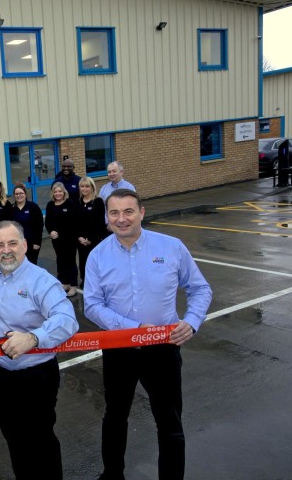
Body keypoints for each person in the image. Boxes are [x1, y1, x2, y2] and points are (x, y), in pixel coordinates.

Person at [84, 189, 212, 480]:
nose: (122, 219)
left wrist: (191, 321)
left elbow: (200, 288)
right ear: (107, 217)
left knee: (169, 422)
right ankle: (112, 474)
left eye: (128, 211)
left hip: (163, 350)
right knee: (115, 417)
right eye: (114, 213)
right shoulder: (97, 256)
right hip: (119, 349)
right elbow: (91, 304)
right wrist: (132, 331)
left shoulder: (171, 247)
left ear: (142, 212)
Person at [0, 220, 79, 479]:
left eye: (12, 243)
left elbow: (67, 319)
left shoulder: (41, 280)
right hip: (0, 376)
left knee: (40, 440)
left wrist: (33, 337)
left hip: (36, 376)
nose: (6, 250)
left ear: (23, 244)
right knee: (14, 438)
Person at [45, 182, 79, 297]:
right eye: (55, 191)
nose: (58, 193)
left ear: (64, 192)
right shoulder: (50, 205)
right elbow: (48, 222)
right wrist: (51, 232)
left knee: (70, 261)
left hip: (69, 239)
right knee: (60, 260)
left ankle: (73, 285)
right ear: (53, 193)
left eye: (60, 191)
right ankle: (64, 283)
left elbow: (75, 222)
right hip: (56, 240)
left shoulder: (70, 204)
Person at [75, 177, 106, 288]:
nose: (84, 189)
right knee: (83, 262)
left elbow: (99, 223)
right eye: (82, 186)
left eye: (87, 186)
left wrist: (90, 239)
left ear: (92, 187)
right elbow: (76, 222)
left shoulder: (98, 202)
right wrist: (79, 237)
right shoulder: (78, 202)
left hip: (94, 240)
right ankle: (84, 280)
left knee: (94, 263)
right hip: (81, 240)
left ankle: (96, 284)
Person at [10, 182, 44, 265]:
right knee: (17, 265)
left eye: (21, 193)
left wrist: (37, 242)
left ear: (25, 194)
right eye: (16, 194)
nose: (19, 195)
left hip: (32, 244)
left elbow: (39, 225)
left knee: (31, 265)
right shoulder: (11, 208)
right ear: (14, 195)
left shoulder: (33, 207)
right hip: (16, 243)